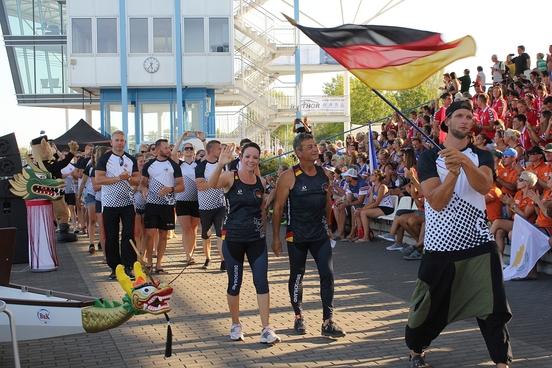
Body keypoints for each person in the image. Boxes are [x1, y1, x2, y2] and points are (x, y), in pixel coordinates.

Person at [405, 99, 512, 368]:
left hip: (478, 243)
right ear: (447, 122)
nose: (465, 120)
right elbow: (437, 202)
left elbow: (485, 186)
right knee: (427, 306)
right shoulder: (429, 157)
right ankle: (416, 350)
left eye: (469, 116)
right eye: (460, 116)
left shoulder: (482, 155)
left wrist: (464, 161)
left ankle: (502, 361)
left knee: (493, 306)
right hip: (440, 247)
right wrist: (452, 173)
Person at [271, 132, 346, 338]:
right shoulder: (288, 177)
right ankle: (298, 316)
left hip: (320, 234)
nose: (315, 149)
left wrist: (329, 226)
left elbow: (327, 203)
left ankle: (328, 321)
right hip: (297, 235)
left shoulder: (325, 174)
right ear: (298, 152)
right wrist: (276, 239)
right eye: (310, 146)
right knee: (297, 276)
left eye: (315, 145)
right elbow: (277, 209)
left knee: (327, 274)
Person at [208, 142, 281, 344]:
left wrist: (272, 193)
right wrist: (220, 163)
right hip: (234, 240)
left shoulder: (260, 181)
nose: (251, 160)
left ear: (258, 160)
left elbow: (263, 206)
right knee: (234, 284)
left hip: (256, 240)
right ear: (241, 158)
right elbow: (211, 185)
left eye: (255, 157)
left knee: (262, 282)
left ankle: (266, 328)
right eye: (247, 156)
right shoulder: (231, 177)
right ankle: (235, 324)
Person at [95, 131, 140, 280]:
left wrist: (129, 178)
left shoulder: (131, 159)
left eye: (122, 140)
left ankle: (128, 266)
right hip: (109, 203)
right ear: (111, 143)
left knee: (128, 234)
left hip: (127, 202)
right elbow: (99, 180)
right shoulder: (104, 159)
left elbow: (137, 180)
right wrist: (117, 178)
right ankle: (115, 267)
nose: (120, 143)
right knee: (111, 236)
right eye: (117, 140)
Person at [141, 139, 184, 273]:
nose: (169, 150)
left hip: (167, 205)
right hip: (152, 204)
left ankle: (159, 264)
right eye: (166, 148)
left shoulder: (174, 166)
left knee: (164, 235)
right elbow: (142, 183)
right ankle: (149, 262)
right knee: (150, 233)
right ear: (158, 149)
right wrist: (144, 189)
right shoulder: (149, 165)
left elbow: (181, 186)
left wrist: (170, 189)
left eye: (169, 148)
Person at [195, 140, 226, 270]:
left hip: (220, 204)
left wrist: (213, 183)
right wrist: (215, 182)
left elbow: (226, 182)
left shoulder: (223, 165)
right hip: (205, 206)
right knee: (206, 234)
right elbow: (200, 186)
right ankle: (208, 258)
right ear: (211, 150)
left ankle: (223, 260)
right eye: (219, 149)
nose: (221, 151)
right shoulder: (201, 167)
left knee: (221, 233)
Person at [172, 139, 201, 265]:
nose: (188, 150)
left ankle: (191, 252)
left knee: (194, 228)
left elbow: (208, 155)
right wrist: (182, 138)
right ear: (182, 152)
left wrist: (203, 140)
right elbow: (173, 154)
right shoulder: (179, 164)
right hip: (182, 200)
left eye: (190, 149)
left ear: (194, 151)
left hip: (196, 200)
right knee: (186, 228)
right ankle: (188, 255)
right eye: (186, 149)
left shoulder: (198, 164)